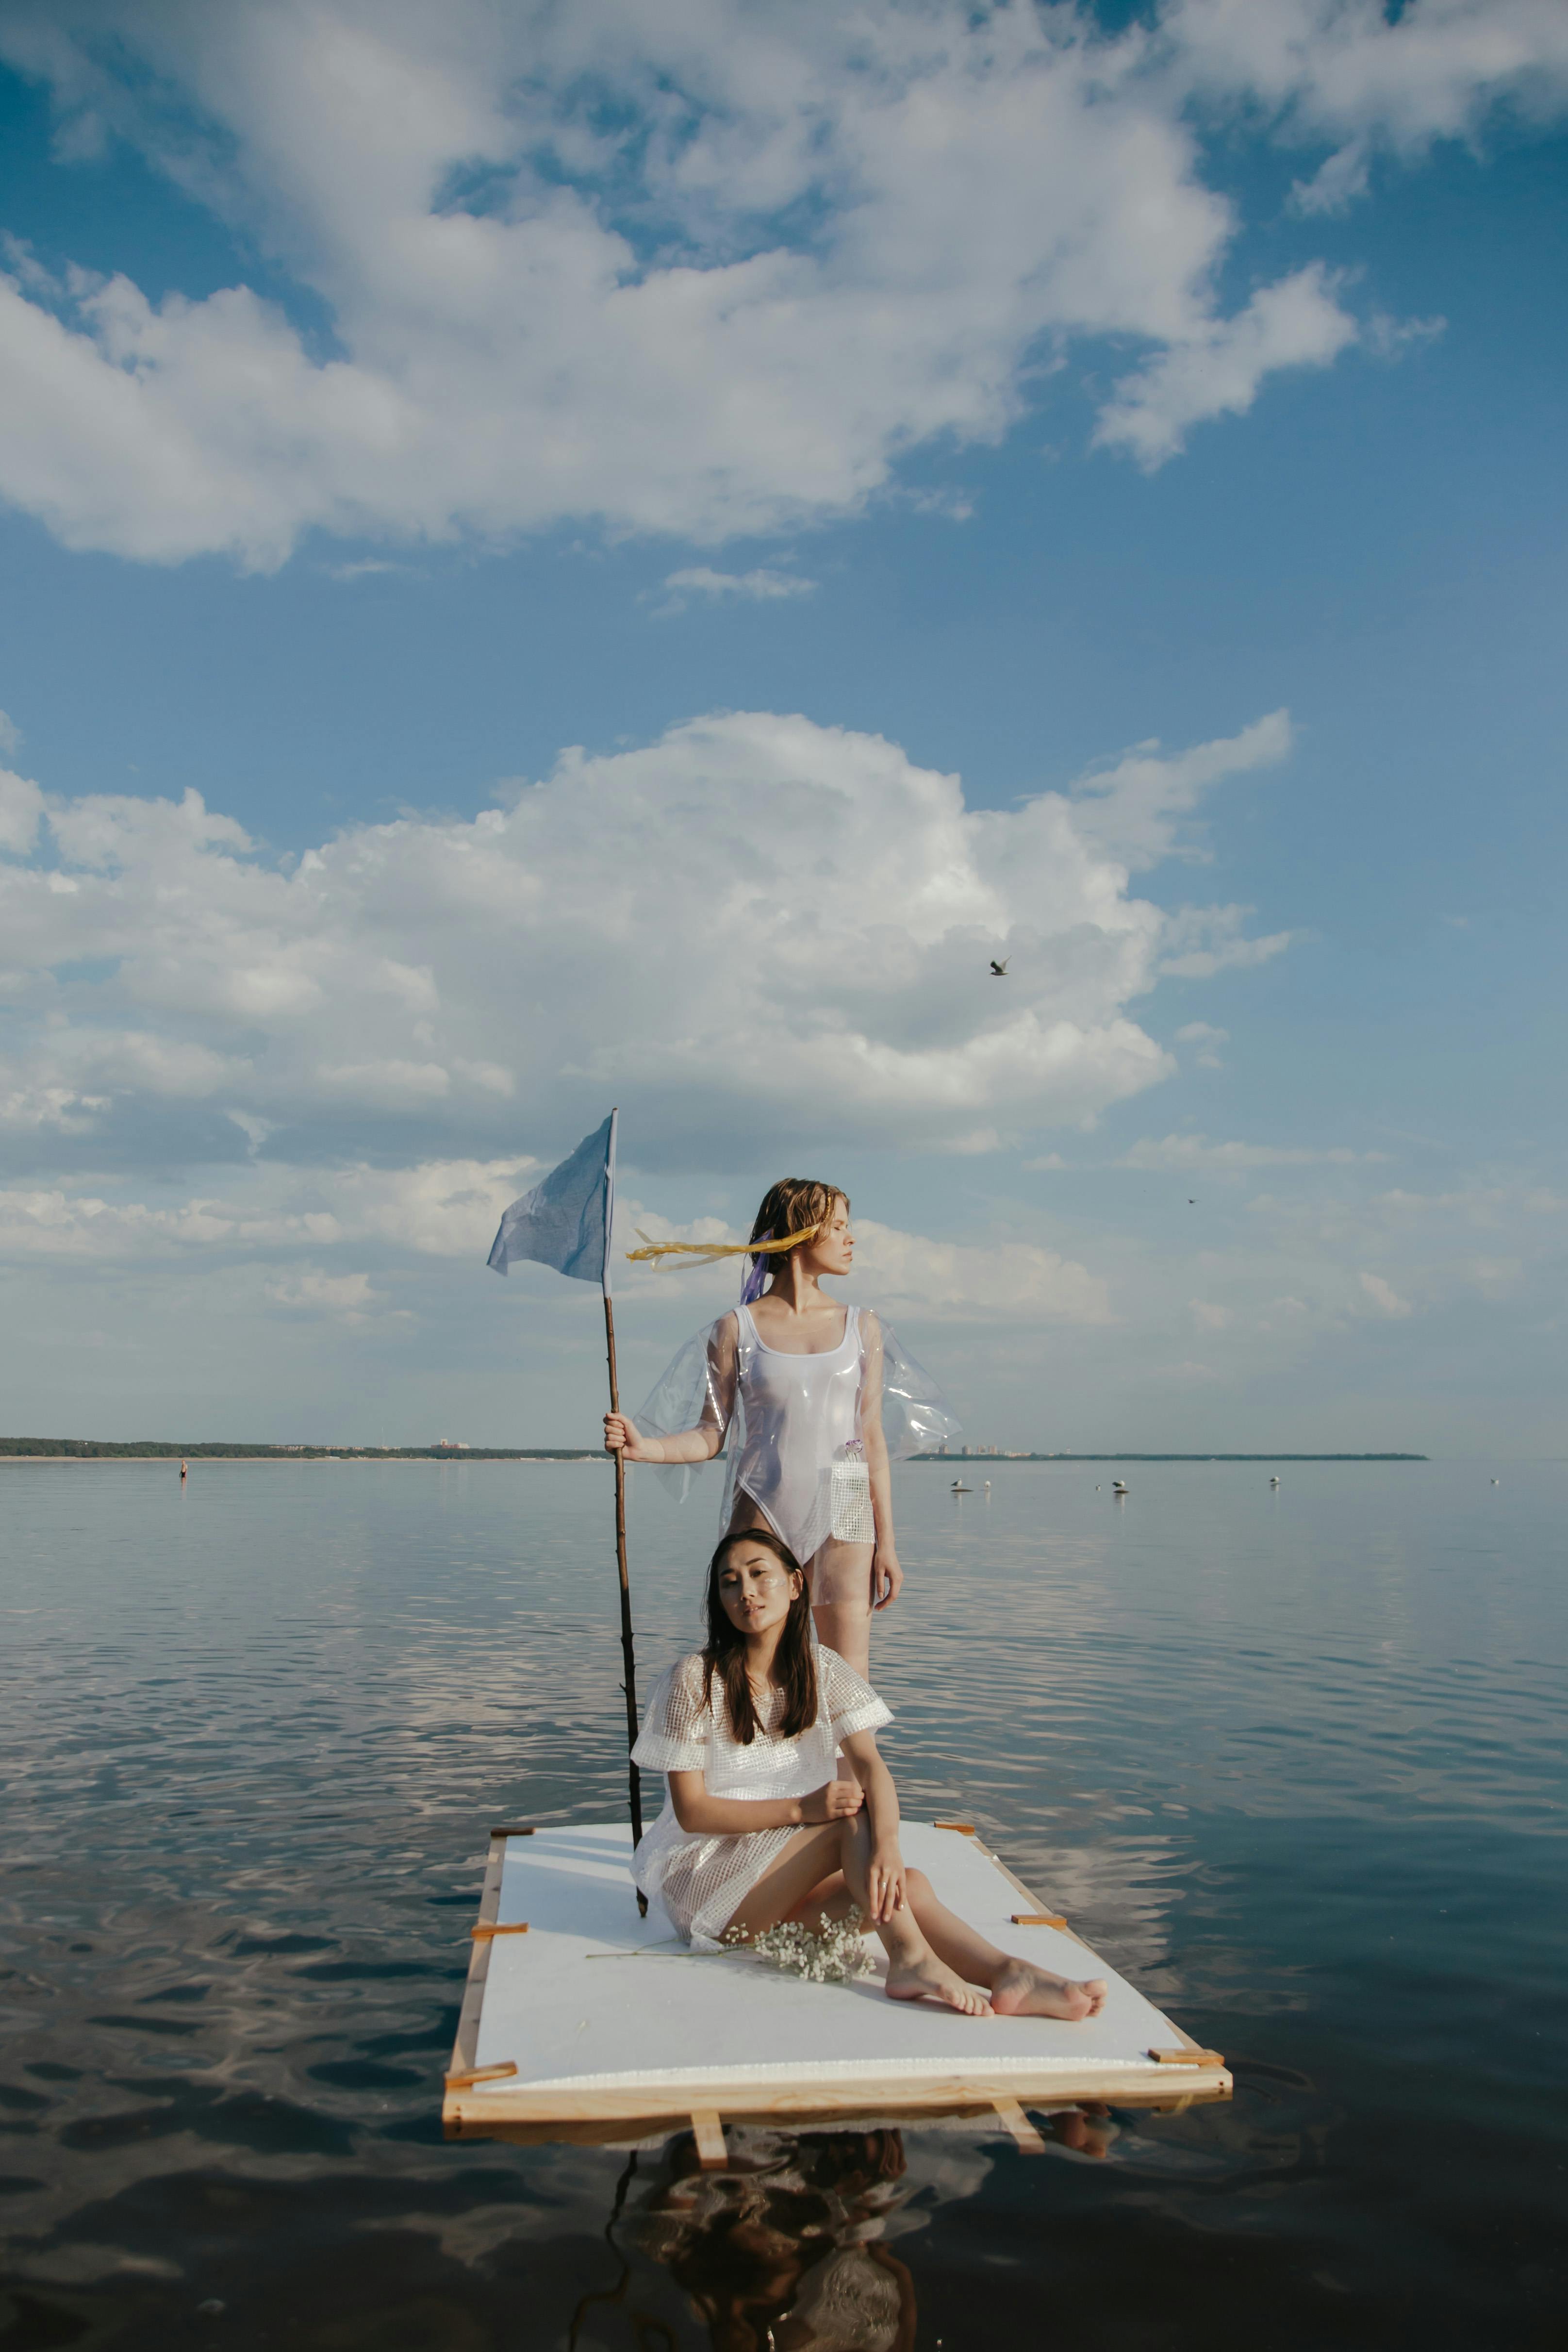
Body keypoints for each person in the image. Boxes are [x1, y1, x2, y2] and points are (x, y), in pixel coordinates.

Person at [631, 1525, 1107, 2022]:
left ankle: (1009, 1974)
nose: (746, 1591)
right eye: (730, 1582)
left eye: (759, 1575)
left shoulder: (822, 1670)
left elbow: (873, 1768)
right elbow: (693, 1811)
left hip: (772, 1883)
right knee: (845, 1819)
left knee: (908, 1885)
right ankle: (911, 1959)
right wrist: (801, 1809)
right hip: (706, 1887)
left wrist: (888, 1847)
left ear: (795, 1585)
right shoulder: (694, 1680)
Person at [604, 1179, 958, 1675]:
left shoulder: (863, 1327)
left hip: (847, 1513)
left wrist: (889, 1546)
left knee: (848, 1685)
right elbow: (712, 1433)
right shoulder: (737, 1328)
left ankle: (847, 1759)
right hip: (762, 1508)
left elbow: (872, 1438)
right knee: (747, 1676)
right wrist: (646, 1448)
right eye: (838, 1227)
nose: (850, 1238)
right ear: (800, 1234)